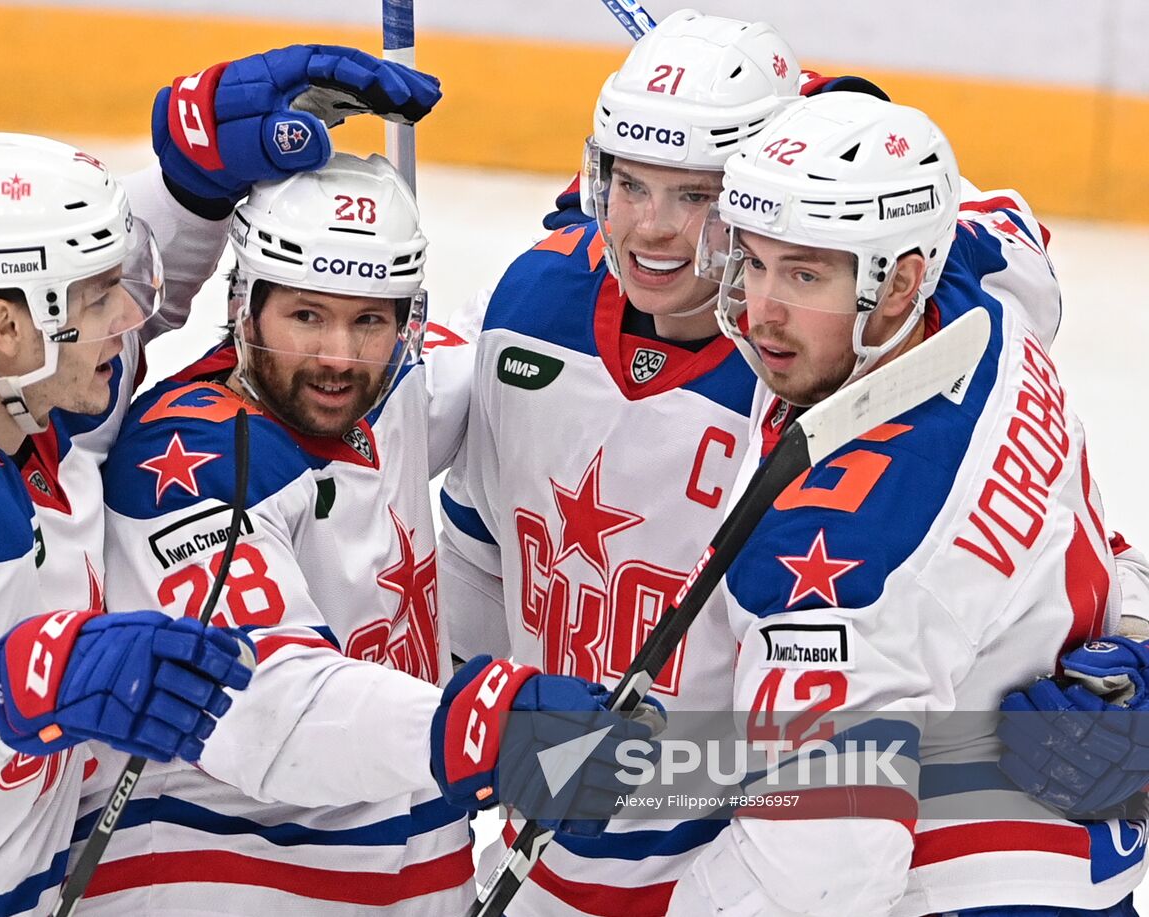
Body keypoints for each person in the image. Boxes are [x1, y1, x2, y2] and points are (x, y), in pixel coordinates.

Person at [0, 43, 443, 914]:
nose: (136, 316)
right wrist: (38, 680)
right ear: (6, 326)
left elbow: (90, 333)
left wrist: (193, 178)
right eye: (99, 297)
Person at [77, 151, 652, 914]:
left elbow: (505, 351)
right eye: (307, 316)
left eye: (368, 319)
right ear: (245, 305)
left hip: (399, 880)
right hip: (228, 881)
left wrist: (613, 250)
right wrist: (485, 722)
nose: (338, 358)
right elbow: (268, 706)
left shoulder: (392, 386)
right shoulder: (188, 468)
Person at [664, 91, 1145, 916]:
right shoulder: (986, 286)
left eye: (806, 273)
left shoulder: (840, 564)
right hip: (1079, 856)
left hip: (961, 891)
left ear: (900, 282)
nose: (763, 310)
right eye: (756, 260)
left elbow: (813, 881)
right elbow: (993, 213)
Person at [435, 10, 808, 913]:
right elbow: (479, 554)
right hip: (546, 852)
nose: (655, 230)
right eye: (630, 184)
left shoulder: (811, 367)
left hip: (748, 862)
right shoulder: (535, 304)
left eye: (695, 197)